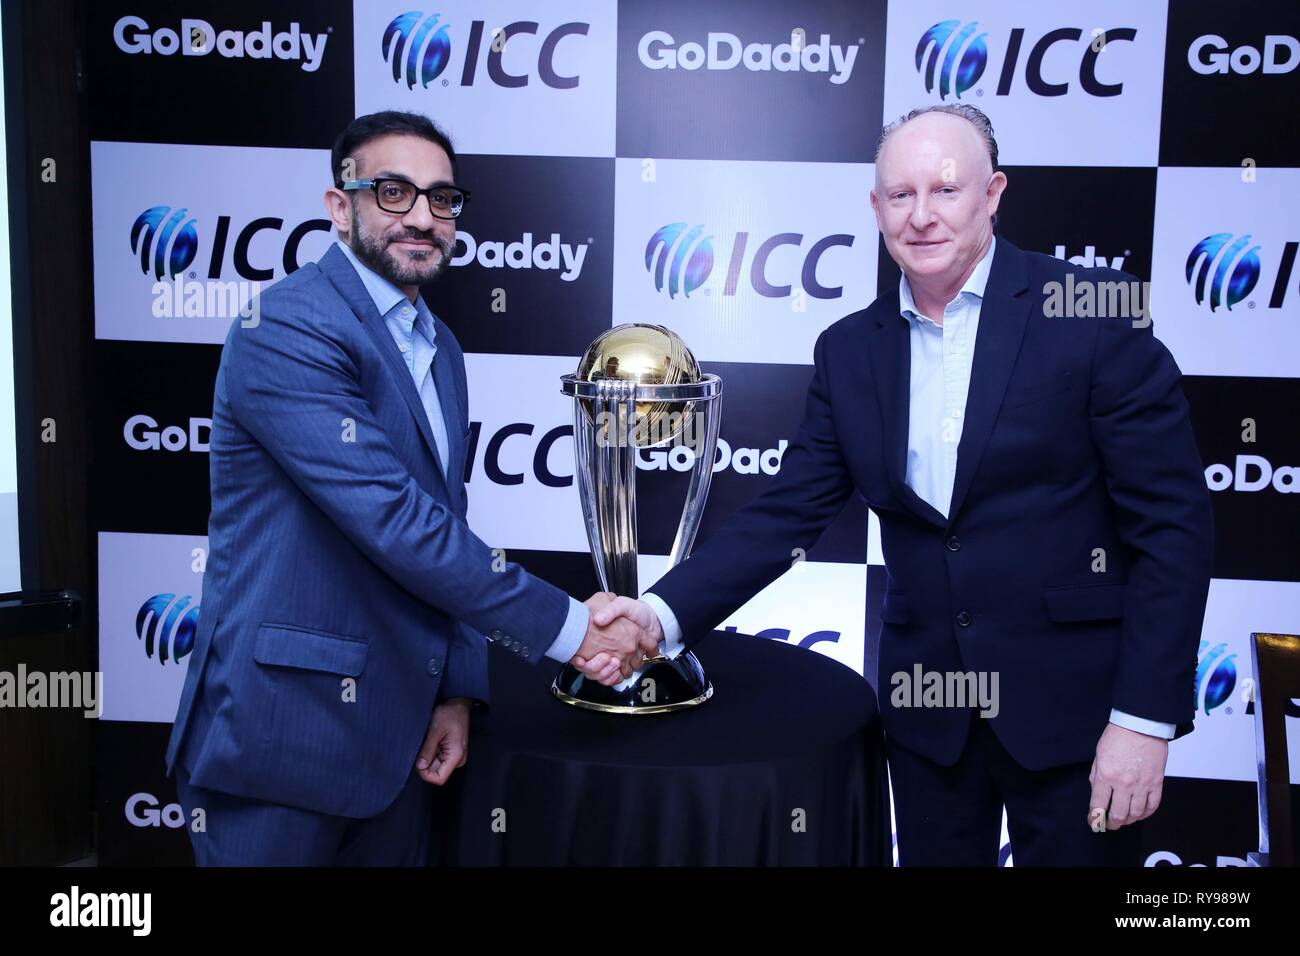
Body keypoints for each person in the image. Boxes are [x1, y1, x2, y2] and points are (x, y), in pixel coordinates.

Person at [585, 105, 1214, 866]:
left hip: (1080, 720)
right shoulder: (850, 348)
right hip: (930, 722)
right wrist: (657, 616)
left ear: (993, 193)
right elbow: (789, 509)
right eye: (899, 196)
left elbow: (1173, 529)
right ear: (876, 208)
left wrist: (1142, 719)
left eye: (945, 192)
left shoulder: (1092, 315)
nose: (921, 217)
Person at [166, 110, 655, 865]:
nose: (423, 217)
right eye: (393, 192)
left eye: (442, 198)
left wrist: (457, 688)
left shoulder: (442, 347)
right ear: (340, 207)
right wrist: (573, 630)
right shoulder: (286, 326)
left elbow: (444, 517)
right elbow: (394, 521)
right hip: (281, 739)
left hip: (398, 743)